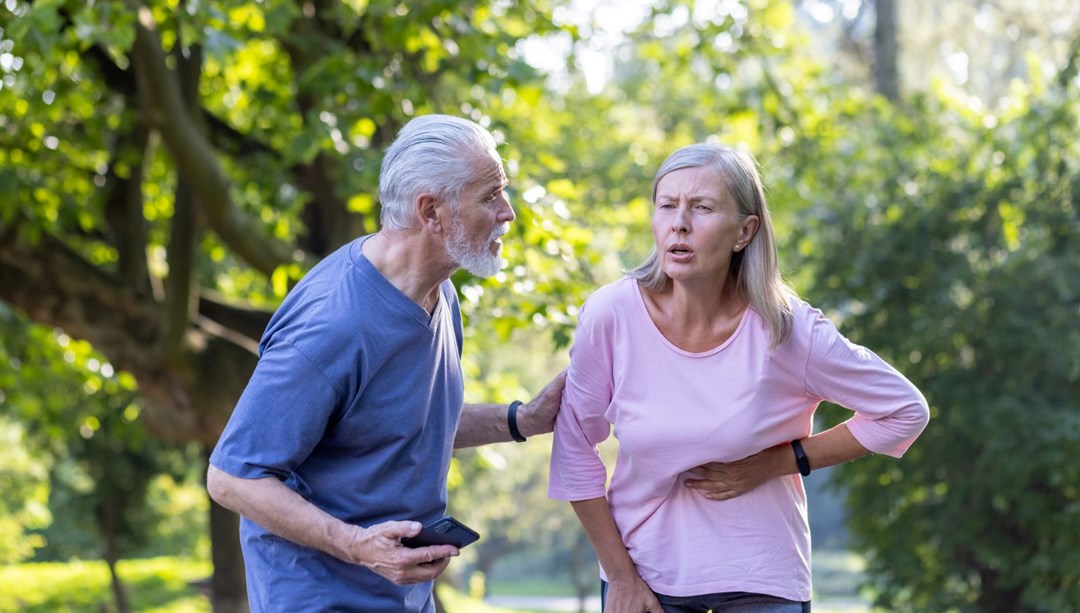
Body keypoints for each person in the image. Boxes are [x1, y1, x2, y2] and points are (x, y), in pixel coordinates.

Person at [207, 114, 566, 613]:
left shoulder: (439, 291)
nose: (508, 212)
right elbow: (233, 477)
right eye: (490, 196)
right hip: (320, 600)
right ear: (431, 211)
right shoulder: (332, 325)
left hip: (404, 597)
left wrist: (520, 420)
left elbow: (405, 421)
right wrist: (357, 546)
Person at [548, 143, 929, 613]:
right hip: (645, 580)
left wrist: (775, 462)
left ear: (744, 232)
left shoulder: (787, 329)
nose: (679, 223)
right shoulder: (611, 315)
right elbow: (573, 446)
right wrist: (621, 577)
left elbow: (904, 410)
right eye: (667, 205)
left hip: (763, 581)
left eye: (702, 208)